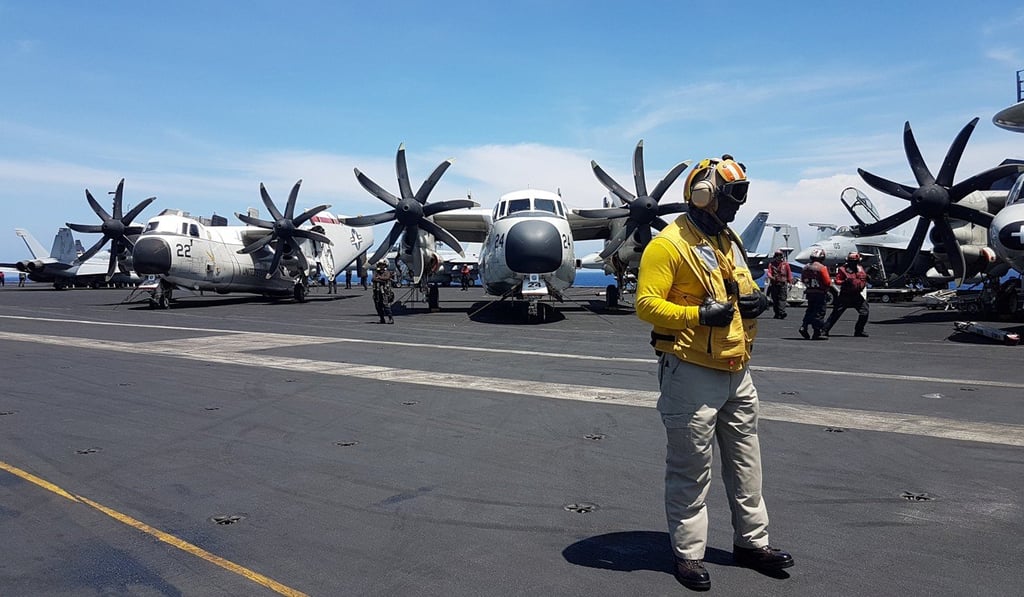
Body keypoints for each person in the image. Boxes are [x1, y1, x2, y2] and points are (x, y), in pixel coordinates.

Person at [636, 155, 792, 591]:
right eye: (732, 197)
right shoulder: (666, 245)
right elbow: (646, 305)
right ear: (704, 196)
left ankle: (752, 543)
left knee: (747, 464)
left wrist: (758, 299)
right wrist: (698, 314)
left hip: (737, 369)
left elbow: (745, 286)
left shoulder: (729, 240)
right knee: (691, 468)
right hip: (690, 371)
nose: (738, 205)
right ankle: (688, 554)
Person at [823, 252, 870, 337]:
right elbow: (837, 280)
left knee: (865, 312)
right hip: (845, 295)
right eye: (851, 261)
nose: (853, 263)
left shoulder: (860, 268)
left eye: (855, 261)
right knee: (836, 313)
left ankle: (859, 330)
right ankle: (824, 330)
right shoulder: (843, 269)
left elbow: (863, 278)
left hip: (856, 295)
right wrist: (845, 281)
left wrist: (868, 278)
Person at [799, 248, 832, 340]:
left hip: (810, 292)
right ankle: (817, 332)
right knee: (819, 313)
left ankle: (804, 326)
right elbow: (827, 282)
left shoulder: (805, 267)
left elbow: (803, 280)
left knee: (810, 310)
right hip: (820, 293)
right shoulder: (822, 268)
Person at [765, 249, 793, 319]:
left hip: (783, 284)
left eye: (780, 255)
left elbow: (789, 273)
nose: (779, 257)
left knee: (782, 298)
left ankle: (782, 312)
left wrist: (790, 282)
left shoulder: (785, 264)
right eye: (777, 255)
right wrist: (771, 277)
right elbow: (769, 272)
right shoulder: (772, 264)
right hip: (774, 284)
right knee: (775, 299)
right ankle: (777, 313)